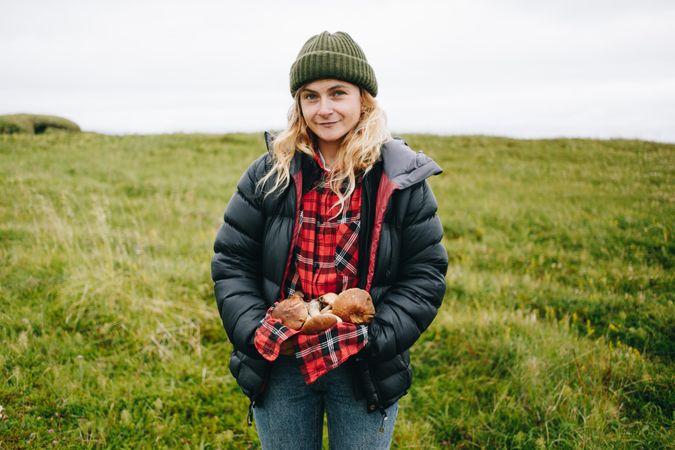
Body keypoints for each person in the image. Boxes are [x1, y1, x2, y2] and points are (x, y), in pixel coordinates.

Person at [211, 30, 448, 450]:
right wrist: (255, 332)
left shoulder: (401, 178)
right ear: (298, 104)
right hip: (281, 362)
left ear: (363, 99)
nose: (324, 109)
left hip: (364, 365)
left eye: (337, 93)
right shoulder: (268, 173)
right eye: (310, 96)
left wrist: (374, 338)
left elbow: (425, 274)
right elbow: (232, 262)